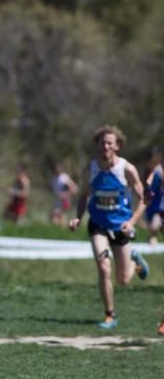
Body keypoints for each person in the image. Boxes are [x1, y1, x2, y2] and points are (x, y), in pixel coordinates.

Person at [68, 125, 149, 330]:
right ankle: (110, 316)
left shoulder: (126, 169)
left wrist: (131, 222)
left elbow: (145, 199)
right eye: (102, 143)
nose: (105, 146)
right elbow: (83, 195)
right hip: (98, 225)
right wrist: (77, 217)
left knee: (122, 280)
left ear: (117, 146)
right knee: (104, 267)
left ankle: (134, 260)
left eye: (109, 143)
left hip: (120, 227)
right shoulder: (91, 168)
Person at [143, 147, 162, 245]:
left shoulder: (159, 170)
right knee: (151, 224)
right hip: (149, 202)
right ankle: (151, 240)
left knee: (155, 223)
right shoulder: (147, 170)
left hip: (159, 202)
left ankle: (152, 239)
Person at [50, 162, 78, 226]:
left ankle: (63, 230)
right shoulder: (53, 178)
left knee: (56, 215)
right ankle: (63, 231)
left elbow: (74, 188)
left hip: (64, 201)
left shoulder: (64, 178)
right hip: (57, 201)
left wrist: (65, 194)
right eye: (56, 169)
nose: (57, 170)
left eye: (59, 169)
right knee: (58, 218)